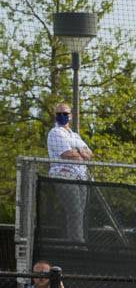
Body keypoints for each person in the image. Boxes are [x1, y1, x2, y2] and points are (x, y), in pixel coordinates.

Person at [46, 102, 92, 244]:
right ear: (55, 116)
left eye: (65, 114)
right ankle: (77, 242)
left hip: (80, 177)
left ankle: (76, 241)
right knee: (75, 210)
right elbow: (67, 154)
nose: (62, 116)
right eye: (59, 114)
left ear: (70, 116)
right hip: (64, 175)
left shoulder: (75, 135)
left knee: (80, 211)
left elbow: (90, 153)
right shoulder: (55, 133)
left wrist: (78, 152)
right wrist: (79, 152)